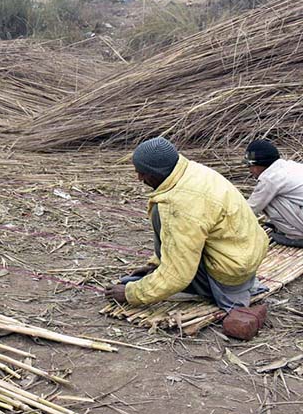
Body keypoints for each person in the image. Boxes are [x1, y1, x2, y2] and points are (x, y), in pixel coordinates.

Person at [105, 137, 270, 340]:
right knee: (160, 221)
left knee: (159, 217)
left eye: (142, 173)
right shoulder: (190, 171)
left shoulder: (180, 204)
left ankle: (224, 297)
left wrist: (132, 294)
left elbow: (178, 275)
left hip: (231, 274)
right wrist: (155, 264)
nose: (139, 178)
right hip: (243, 254)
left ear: (156, 173)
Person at [244, 139, 303, 247]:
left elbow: (249, 210)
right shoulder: (289, 166)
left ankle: (297, 235)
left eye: (250, 166)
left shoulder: (270, 180)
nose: (250, 170)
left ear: (259, 165)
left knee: (269, 200)